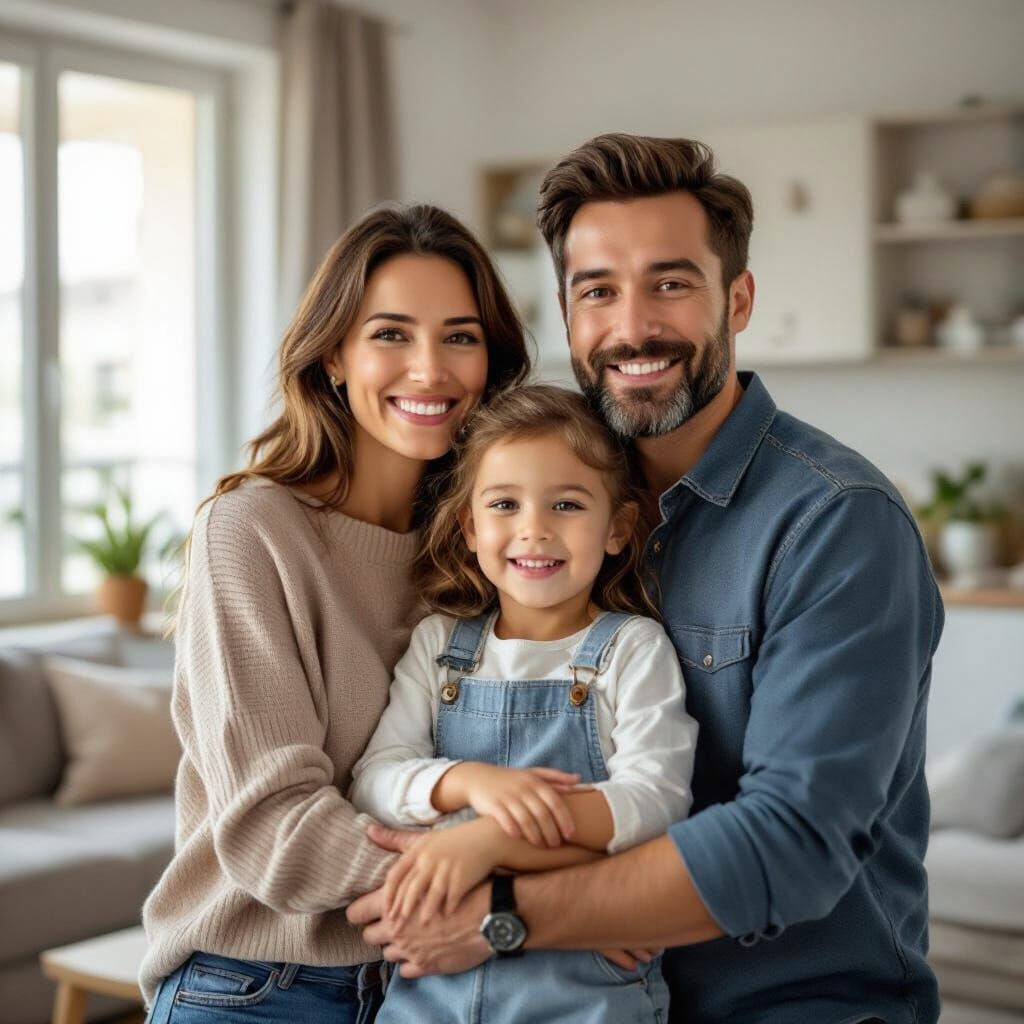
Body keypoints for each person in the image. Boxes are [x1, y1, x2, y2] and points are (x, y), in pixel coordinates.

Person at [349, 135, 946, 1024]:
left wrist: (505, 915)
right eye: (598, 291)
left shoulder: (835, 522)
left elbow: (794, 843)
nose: (631, 327)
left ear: (737, 299)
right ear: (565, 311)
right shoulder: (545, 505)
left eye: (671, 283)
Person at [139, 203, 530, 1024]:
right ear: (333, 359)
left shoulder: (486, 543)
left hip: (442, 982)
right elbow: (272, 827)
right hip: (258, 985)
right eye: (391, 334)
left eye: (460, 337)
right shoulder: (252, 530)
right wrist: (519, 894)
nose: (430, 370)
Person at [348, 384, 698, 1023]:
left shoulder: (632, 649)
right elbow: (373, 781)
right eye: (504, 504)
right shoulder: (439, 645)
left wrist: (484, 843)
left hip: (590, 997)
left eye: (566, 504)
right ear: (471, 527)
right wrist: (468, 782)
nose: (533, 529)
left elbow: (655, 805)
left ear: (617, 527)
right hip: (428, 998)